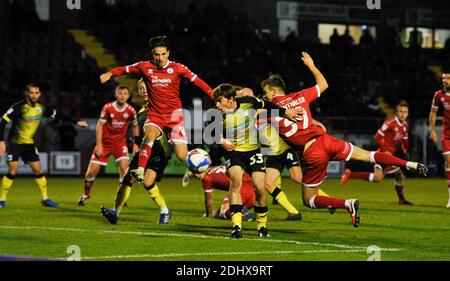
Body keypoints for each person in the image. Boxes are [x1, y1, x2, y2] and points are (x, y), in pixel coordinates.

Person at [261, 52, 428, 227]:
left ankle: (347, 204)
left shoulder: (268, 110)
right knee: (368, 155)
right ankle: (410, 164)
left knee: (309, 199)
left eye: (266, 92)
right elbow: (324, 84)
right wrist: (311, 66)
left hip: (312, 152)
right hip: (326, 140)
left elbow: (253, 117)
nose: (265, 96)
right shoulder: (300, 95)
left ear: (273, 90)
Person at [100, 35, 213, 183]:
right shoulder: (144, 66)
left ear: (168, 53)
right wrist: (110, 73)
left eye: (163, 54)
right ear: (152, 54)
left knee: (181, 155)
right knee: (150, 134)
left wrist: (212, 93)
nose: (160, 58)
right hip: (155, 115)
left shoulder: (178, 68)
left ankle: (197, 160)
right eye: (157, 54)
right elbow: (125, 69)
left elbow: (197, 81)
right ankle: (140, 170)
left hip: (174, 116)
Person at [213, 83, 302, 238]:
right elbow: (213, 133)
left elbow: (267, 105)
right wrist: (222, 141)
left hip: (254, 151)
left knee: (260, 188)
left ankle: (261, 226)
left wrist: (286, 111)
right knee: (236, 181)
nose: (217, 105)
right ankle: (236, 227)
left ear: (231, 99)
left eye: (220, 100)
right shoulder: (217, 115)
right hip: (235, 153)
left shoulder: (248, 102)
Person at [0, 83, 87, 208]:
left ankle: (45, 199)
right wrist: (1, 141)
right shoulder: (18, 107)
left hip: (29, 144)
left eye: (36, 93)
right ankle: (2, 200)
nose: (34, 95)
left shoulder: (41, 108)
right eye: (32, 92)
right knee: (12, 171)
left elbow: (59, 115)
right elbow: (3, 122)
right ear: (27, 94)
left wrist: (76, 122)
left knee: (38, 171)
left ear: (39, 94)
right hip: (15, 143)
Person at [101, 79, 172, 224]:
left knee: (147, 182)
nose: (144, 91)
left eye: (146, 88)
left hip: (159, 152)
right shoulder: (141, 111)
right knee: (127, 180)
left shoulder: (161, 107)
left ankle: (165, 210)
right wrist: (136, 140)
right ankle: (115, 212)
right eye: (141, 88)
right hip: (144, 151)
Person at [341, 100, 414, 205]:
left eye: (405, 112)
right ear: (397, 112)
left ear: (408, 114)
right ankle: (402, 200)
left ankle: (351, 174)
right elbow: (377, 136)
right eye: (401, 111)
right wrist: (386, 151)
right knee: (399, 175)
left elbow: (404, 141)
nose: (403, 114)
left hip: (389, 156)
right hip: (383, 155)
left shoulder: (405, 125)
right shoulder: (390, 123)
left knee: (377, 178)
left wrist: (405, 152)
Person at [78, 85, 139, 206]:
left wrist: (136, 144)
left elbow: (136, 126)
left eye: (125, 94)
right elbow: (100, 126)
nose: (122, 96)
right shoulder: (108, 107)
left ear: (128, 96)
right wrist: (99, 145)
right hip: (105, 144)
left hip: (120, 144)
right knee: (91, 173)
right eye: (120, 93)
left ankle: (121, 197)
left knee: (124, 170)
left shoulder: (131, 111)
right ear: (116, 94)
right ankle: (86, 194)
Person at [429, 72, 450, 208]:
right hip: (447, 134)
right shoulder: (438, 95)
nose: (445, 80)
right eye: (443, 78)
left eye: (448, 78)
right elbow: (433, 112)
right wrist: (432, 129)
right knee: (448, 162)